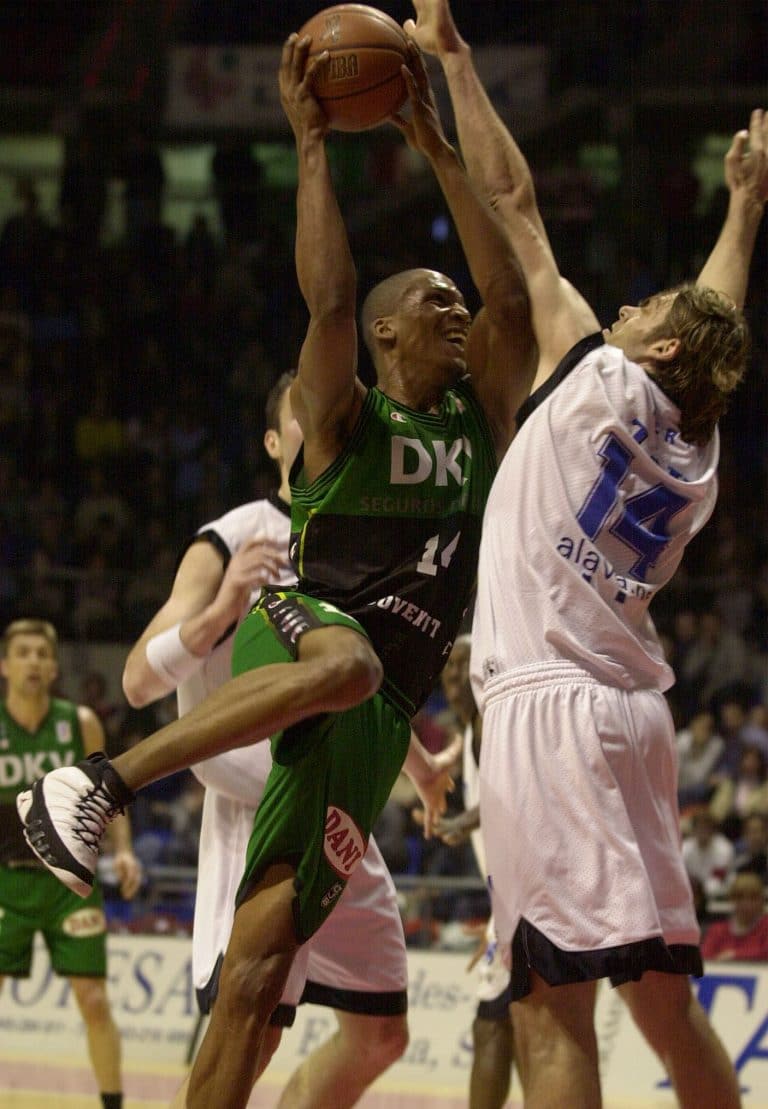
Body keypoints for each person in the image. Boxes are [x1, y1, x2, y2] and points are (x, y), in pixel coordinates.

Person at [19, 32, 534, 1109]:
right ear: (388, 333)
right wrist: (311, 146)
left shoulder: (481, 418)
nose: (457, 311)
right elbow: (332, 300)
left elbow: (515, 297)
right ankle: (98, 784)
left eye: (456, 300)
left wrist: (434, 140)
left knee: (257, 971)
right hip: (307, 620)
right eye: (433, 302)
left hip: (378, 705)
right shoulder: (347, 412)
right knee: (344, 661)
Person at [406, 3, 767, 1106]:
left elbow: (513, 201)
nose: (623, 301)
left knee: (548, 1004)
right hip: (634, 718)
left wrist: (457, 65)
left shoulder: (593, 380)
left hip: (548, 712)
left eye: (643, 304)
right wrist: (746, 211)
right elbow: (709, 326)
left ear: (652, 348)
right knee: (663, 998)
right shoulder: (696, 450)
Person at [122, 371, 429, 1106]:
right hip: (258, 818)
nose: (329, 423)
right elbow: (137, 679)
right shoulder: (231, 536)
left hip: (339, 808)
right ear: (273, 441)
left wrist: (422, 766)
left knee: (381, 1033)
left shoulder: (360, 542)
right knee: (248, 1039)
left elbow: (361, 679)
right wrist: (223, 605)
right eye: (307, 414)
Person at [0, 619, 141, 1109]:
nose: (33, 661)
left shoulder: (79, 722)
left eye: (42, 653)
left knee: (94, 1001)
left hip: (68, 884)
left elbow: (108, 795)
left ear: (55, 666)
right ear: (4, 665)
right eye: (23, 653)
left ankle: (112, 1103)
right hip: (6, 885)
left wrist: (123, 850)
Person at [413, 634, 514, 1109]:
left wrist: (456, 821)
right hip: (513, 898)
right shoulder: (472, 730)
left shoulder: (499, 720)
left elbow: (508, 794)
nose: (453, 677)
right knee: (520, 1022)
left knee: (492, 1021)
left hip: (529, 894)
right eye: (448, 669)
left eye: (463, 666)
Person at [700, 871, 768, 962]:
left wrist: (734, 955)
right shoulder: (717, 930)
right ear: (732, 900)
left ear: (762, 901)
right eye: (740, 897)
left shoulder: (766, 927)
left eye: (753, 898)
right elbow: (705, 958)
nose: (746, 903)